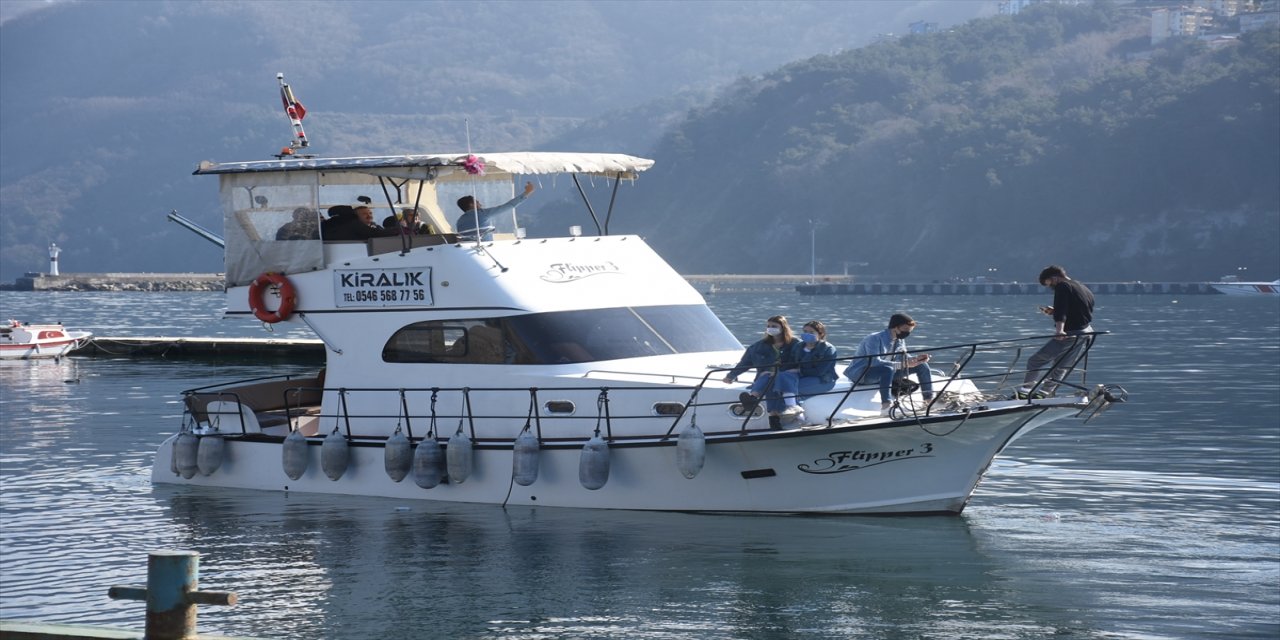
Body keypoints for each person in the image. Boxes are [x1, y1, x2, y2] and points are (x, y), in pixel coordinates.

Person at [1017, 265, 1095, 399]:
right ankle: (1044, 393)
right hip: (1085, 332)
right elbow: (1082, 308)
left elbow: (1062, 311)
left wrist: (1060, 330)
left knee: (1035, 361)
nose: (1050, 287)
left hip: (1070, 333)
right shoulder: (1081, 286)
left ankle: (1024, 392)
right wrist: (1054, 310)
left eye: (1049, 284)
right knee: (1062, 365)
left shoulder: (1062, 286)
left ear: (1054, 277)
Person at [843, 313, 933, 416]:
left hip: (886, 373)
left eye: (910, 330)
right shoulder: (873, 339)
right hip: (863, 375)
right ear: (895, 327)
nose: (907, 332)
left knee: (922, 366)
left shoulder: (900, 340)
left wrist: (916, 359)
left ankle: (928, 401)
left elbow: (903, 358)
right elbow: (874, 362)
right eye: (905, 329)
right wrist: (903, 364)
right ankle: (886, 406)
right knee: (887, 369)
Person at [722, 315, 802, 429]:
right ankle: (773, 418)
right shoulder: (758, 346)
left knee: (775, 381)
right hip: (767, 377)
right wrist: (731, 376)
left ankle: (764, 408)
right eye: (768, 326)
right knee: (768, 379)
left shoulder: (796, 344)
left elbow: (804, 360)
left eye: (774, 326)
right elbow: (745, 363)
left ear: (783, 327)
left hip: (787, 375)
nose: (770, 328)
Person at [454, 181, 536, 241]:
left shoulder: (459, 221)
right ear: (471, 205)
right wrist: (527, 193)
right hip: (486, 249)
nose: (480, 204)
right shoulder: (483, 214)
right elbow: (509, 206)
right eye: (477, 202)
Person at [795, 320, 839, 399]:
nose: (807, 334)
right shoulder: (798, 346)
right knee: (781, 384)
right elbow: (791, 363)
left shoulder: (828, 349)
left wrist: (799, 370)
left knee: (792, 387)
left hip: (823, 379)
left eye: (811, 332)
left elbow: (820, 372)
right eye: (805, 331)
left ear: (820, 334)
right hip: (801, 377)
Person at [323, 201, 398, 241]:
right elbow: (376, 234)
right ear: (356, 216)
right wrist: (399, 229)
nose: (369, 216)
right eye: (364, 214)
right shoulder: (352, 224)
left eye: (370, 213)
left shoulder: (326, 225)